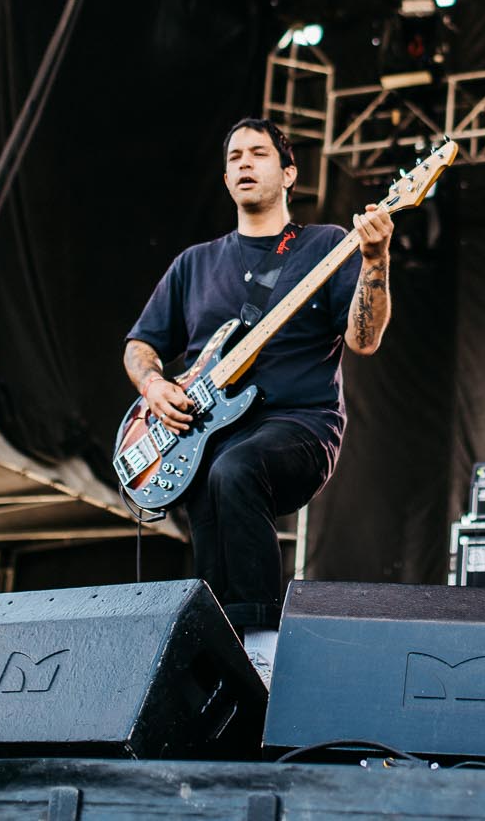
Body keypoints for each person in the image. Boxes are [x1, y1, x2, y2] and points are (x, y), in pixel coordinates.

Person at [125, 117, 394, 685]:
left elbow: (364, 340)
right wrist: (155, 386)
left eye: (259, 153)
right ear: (225, 179)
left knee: (236, 469)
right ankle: (217, 656)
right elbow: (140, 346)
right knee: (209, 487)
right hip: (207, 434)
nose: (245, 163)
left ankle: (265, 647)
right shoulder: (194, 264)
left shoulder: (325, 245)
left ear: (288, 172)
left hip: (299, 425)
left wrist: (375, 260)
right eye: (235, 157)